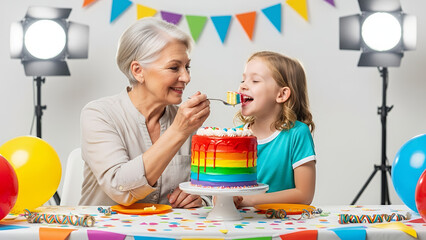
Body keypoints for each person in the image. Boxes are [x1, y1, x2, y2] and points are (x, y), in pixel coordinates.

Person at [79, 17, 210, 208]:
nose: (186, 77)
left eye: (187, 67)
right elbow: (119, 187)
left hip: (167, 235)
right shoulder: (98, 115)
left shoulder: (187, 121)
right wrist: (178, 132)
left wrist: (200, 197)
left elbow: (211, 187)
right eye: (174, 67)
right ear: (138, 71)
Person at [233, 51, 316, 207]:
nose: (242, 86)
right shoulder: (236, 136)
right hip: (242, 224)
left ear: (282, 94)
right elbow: (228, 188)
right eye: (243, 79)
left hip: (284, 224)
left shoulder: (297, 134)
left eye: (255, 80)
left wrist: (250, 200)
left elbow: (304, 194)